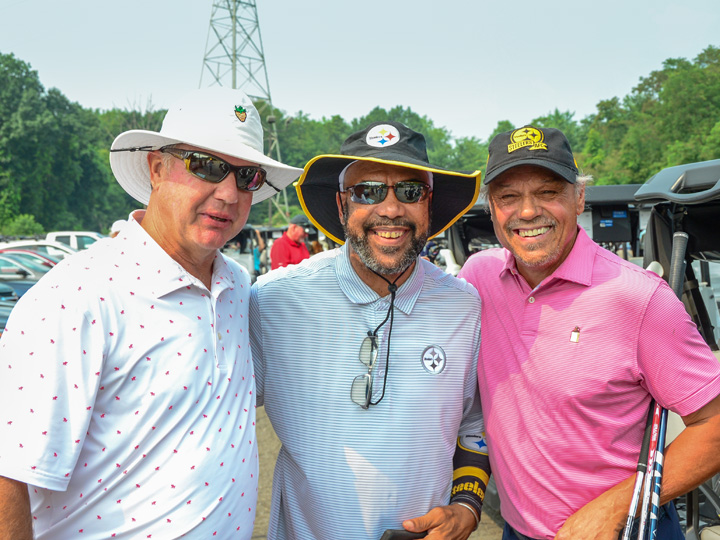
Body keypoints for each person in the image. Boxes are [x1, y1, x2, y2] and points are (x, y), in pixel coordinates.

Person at [0, 87, 302, 539]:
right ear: (157, 168)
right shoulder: (78, 295)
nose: (227, 192)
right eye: (207, 166)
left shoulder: (236, 286)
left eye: (246, 176)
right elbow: (10, 473)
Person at [458, 125, 720, 540]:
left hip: (626, 529)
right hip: (518, 529)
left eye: (547, 192)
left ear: (579, 197)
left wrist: (620, 504)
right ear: (491, 208)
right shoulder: (480, 278)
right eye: (508, 196)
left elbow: (715, 424)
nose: (527, 212)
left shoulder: (638, 298)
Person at [250, 121, 490, 540]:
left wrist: (467, 508)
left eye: (411, 192)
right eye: (368, 191)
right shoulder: (272, 302)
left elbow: (476, 426)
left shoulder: (464, 306)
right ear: (342, 206)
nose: (392, 209)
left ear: (429, 206)